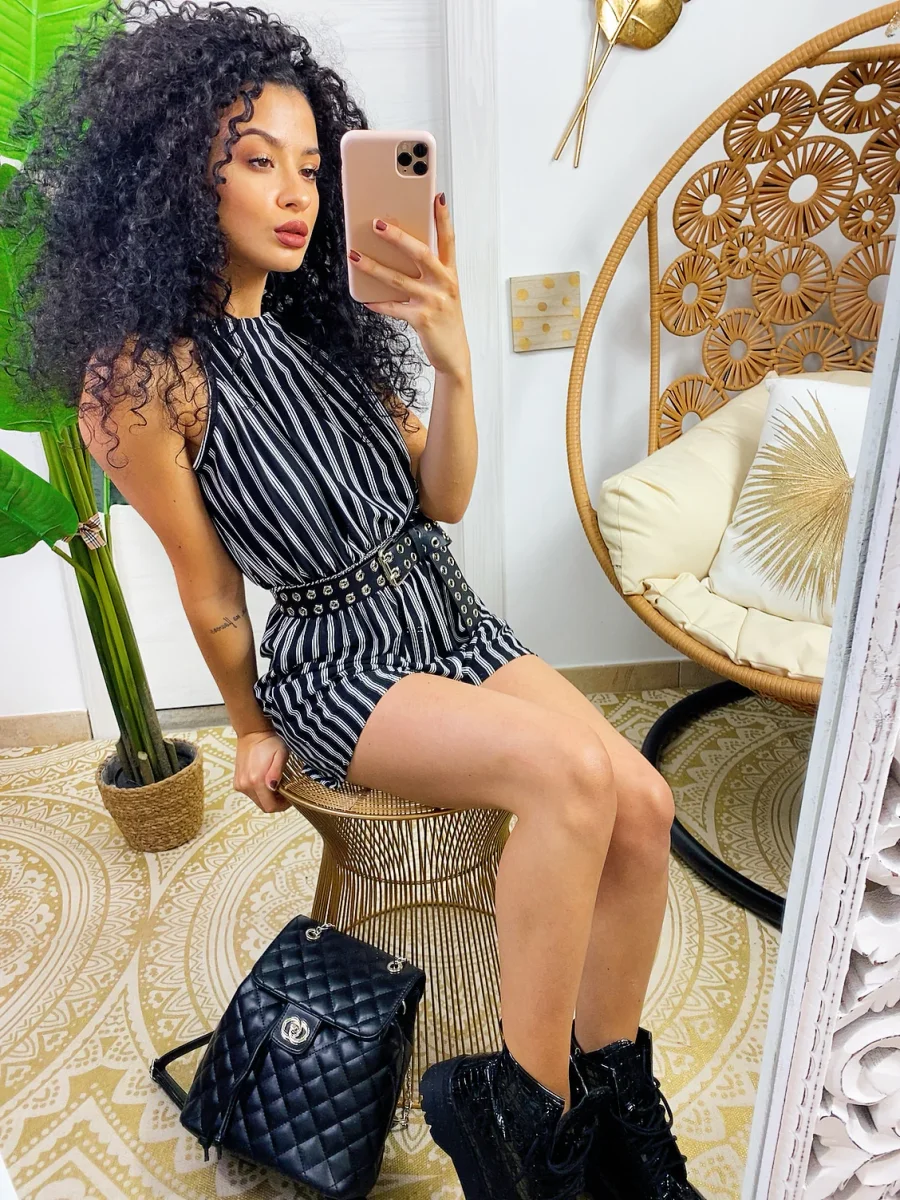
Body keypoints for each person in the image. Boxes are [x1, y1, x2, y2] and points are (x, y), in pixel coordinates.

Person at [2, 1, 702, 1196]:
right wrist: (249, 726)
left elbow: (444, 498)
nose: (296, 195)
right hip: (340, 662)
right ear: (178, 178)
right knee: (571, 777)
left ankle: (613, 1109)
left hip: (447, 614)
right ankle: (529, 1131)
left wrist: (455, 361)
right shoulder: (142, 379)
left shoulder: (325, 331)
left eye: (311, 168)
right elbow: (209, 585)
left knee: (642, 799)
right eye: (257, 161)